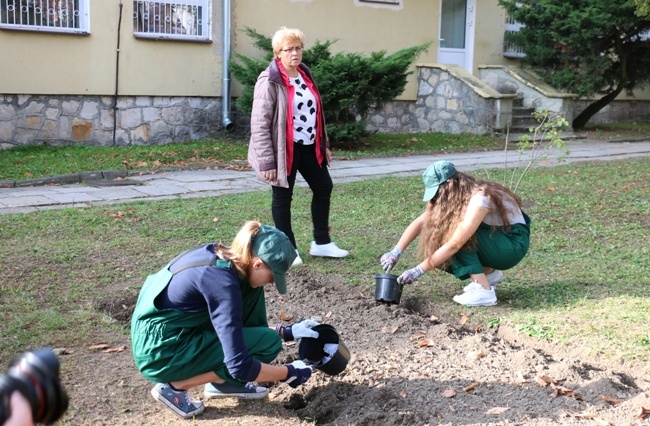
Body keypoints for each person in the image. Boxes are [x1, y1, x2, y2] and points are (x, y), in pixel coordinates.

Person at [131, 221, 319, 419]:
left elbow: (230, 327)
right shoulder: (223, 285)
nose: (273, 282)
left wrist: (286, 332)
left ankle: (224, 384)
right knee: (267, 344)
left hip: (175, 329)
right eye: (273, 276)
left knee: (253, 290)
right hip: (160, 351)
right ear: (258, 264)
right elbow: (239, 364)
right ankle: (174, 388)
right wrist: (289, 372)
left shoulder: (225, 259)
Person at [248, 26, 349, 266]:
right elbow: (259, 124)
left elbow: (315, 113)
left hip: (309, 146)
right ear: (277, 53)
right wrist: (267, 161)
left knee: (324, 186)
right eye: (288, 49)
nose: (294, 53)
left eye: (298, 48)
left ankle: (322, 243)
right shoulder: (269, 80)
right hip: (283, 150)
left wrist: (323, 144)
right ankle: (289, 250)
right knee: (283, 197)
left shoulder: (304, 74)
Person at [380, 161, 531, 307]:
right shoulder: (463, 195)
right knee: (440, 239)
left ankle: (484, 292)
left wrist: (418, 270)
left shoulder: (480, 199)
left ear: (448, 188)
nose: (436, 199)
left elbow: (456, 243)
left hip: (512, 244)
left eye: (437, 193)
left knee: (449, 238)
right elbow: (421, 221)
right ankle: (489, 275)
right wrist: (396, 251)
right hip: (500, 240)